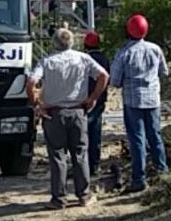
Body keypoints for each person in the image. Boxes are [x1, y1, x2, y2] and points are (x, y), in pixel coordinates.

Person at [27, 28, 109, 210]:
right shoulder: (83, 58)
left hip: (53, 113)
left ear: (54, 43)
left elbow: (31, 82)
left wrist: (37, 106)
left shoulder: (47, 61)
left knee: (57, 156)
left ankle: (58, 199)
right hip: (78, 111)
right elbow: (104, 76)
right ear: (72, 42)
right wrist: (92, 98)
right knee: (80, 154)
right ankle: (84, 195)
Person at [110, 14, 169, 193]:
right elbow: (164, 72)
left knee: (137, 140)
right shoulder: (155, 49)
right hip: (153, 99)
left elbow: (115, 80)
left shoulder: (124, 53)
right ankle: (162, 171)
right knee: (155, 135)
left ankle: (139, 179)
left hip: (132, 101)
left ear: (129, 30)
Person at [83, 30, 109, 177]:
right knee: (96, 134)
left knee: (83, 134)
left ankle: (83, 165)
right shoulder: (104, 59)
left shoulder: (84, 59)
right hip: (99, 101)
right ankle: (95, 165)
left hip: (85, 101)